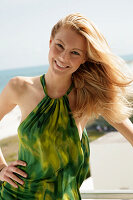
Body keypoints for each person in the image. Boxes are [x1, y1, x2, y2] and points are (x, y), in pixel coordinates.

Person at [0, 12, 133, 200]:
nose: (63, 57)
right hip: (16, 195)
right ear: (50, 42)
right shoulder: (19, 87)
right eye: (59, 46)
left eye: (75, 53)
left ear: (85, 58)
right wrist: (2, 168)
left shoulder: (88, 95)